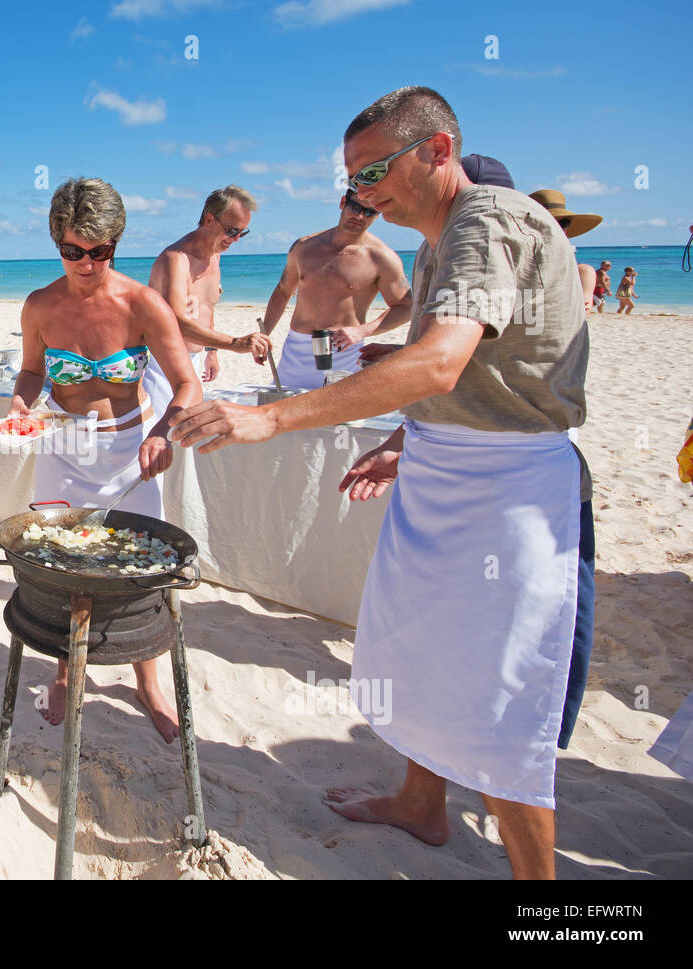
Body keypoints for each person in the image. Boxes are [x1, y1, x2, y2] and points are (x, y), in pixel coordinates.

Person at [171, 87, 589, 879]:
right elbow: (472, 374)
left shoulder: (486, 221)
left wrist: (272, 417)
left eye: (375, 171)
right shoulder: (437, 234)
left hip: (506, 488)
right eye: (353, 178)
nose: (364, 193)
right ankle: (420, 803)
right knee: (419, 653)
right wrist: (407, 439)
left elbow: (437, 360)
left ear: (438, 149)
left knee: (499, 695)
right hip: (444, 461)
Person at [5, 177, 201, 743]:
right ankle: (66, 671)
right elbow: (33, 371)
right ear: (56, 244)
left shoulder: (143, 304)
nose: (86, 264)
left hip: (127, 448)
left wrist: (164, 431)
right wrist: (21, 399)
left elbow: (189, 384)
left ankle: (149, 681)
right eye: (73, 252)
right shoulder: (40, 305)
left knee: (139, 564)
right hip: (62, 446)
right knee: (60, 558)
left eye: (99, 252)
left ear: (114, 244)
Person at [259, 189, 413, 389]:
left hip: (343, 352)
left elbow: (406, 307)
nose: (360, 216)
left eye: (369, 212)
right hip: (295, 350)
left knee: (337, 416)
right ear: (343, 202)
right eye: (355, 207)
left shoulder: (381, 257)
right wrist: (264, 335)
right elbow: (283, 291)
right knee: (281, 411)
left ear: (377, 214)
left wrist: (362, 331)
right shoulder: (304, 247)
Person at [143, 185, 267, 414]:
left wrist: (211, 351)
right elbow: (176, 322)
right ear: (209, 219)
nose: (237, 239)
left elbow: (207, 306)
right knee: (164, 436)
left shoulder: (215, 257)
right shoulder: (177, 259)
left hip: (194, 360)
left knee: (185, 438)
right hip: (163, 364)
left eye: (243, 232)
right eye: (232, 231)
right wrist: (235, 343)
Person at [527, 190, 604, 320]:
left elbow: (579, 316)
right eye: (548, 222)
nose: (555, 228)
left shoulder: (582, 272)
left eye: (563, 223)